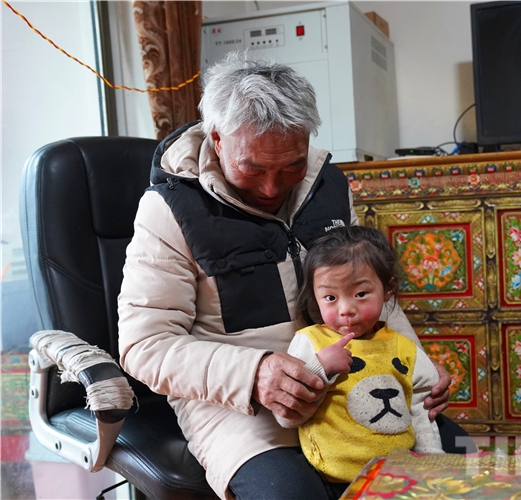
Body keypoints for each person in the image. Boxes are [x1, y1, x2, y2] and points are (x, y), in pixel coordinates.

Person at [117, 52, 470, 500]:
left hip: (354, 380)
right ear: (218, 139)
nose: (272, 188)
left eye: (291, 166)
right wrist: (256, 373)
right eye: (253, 168)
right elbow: (144, 345)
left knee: (458, 461)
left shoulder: (328, 187)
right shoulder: (169, 209)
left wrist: (417, 366)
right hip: (242, 406)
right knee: (291, 493)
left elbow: (370, 291)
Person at [276, 226, 445, 498]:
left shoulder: (404, 348)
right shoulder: (310, 342)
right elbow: (286, 417)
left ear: (388, 289)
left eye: (361, 294)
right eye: (330, 298)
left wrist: (431, 458)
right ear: (315, 298)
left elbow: (422, 407)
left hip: (398, 475)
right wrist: (321, 368)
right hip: (335, 477)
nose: (346, 309)